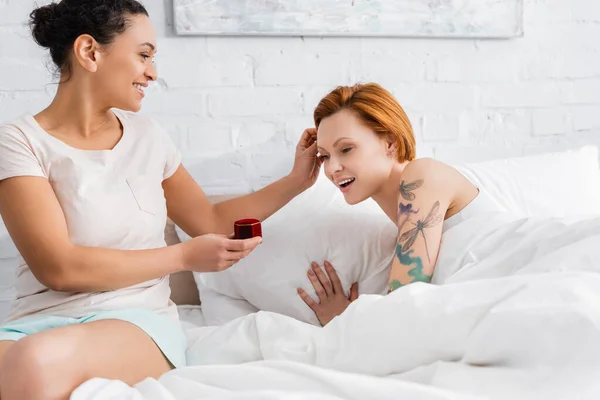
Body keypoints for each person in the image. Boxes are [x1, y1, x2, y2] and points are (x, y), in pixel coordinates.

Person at [0, 1, 321, 399]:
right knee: (25, 358)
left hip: (133, 321)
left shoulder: (148, 137)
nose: (152, 72)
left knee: (34, 362)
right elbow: (58, 268)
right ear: (90, 52)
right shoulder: (19, 141)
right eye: (143, 55)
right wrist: (184, 256)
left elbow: (210, 223)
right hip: (34, 322)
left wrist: (297, 181)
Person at [297, 83, 495, 326]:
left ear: (390, 143)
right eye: (324, 156)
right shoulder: (403, 227)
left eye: (346, 149)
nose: (331, 168)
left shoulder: (422, 174)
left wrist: (348, 320)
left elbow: (402, 309)